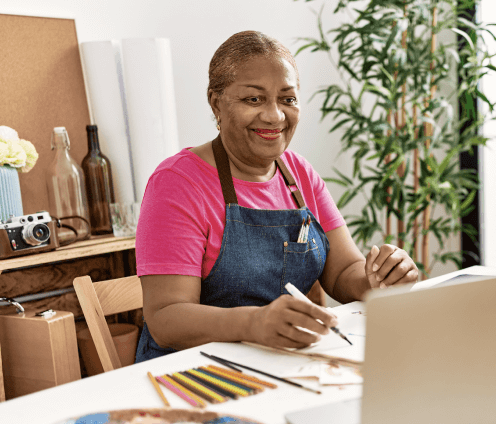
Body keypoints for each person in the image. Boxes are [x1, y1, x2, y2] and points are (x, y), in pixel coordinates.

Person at [134, 31, 418, 363]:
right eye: (253, 99)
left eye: (287, 99)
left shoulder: (299, 174)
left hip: (278, 362)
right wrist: (254, 322)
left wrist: (379, 278)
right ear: (216, 103)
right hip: (192, 373)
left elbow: (343, 272)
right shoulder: (177, 183)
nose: (275, 115)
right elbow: (166, 319)